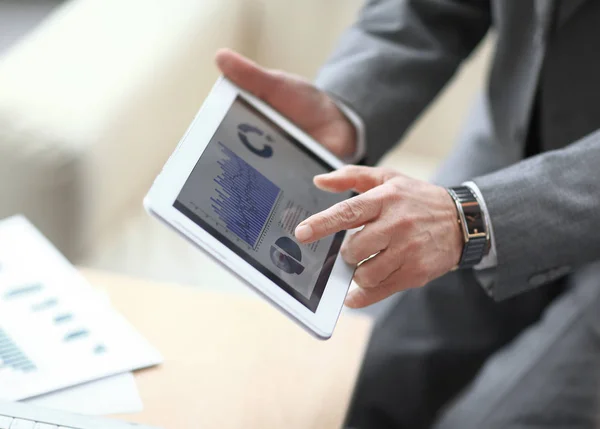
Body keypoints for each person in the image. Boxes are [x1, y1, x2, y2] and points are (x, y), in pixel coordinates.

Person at [216, 0, 600, 427]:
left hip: (498, 207)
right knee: (338, 390)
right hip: (502, 158)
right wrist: (348, 108)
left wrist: (468, 218)